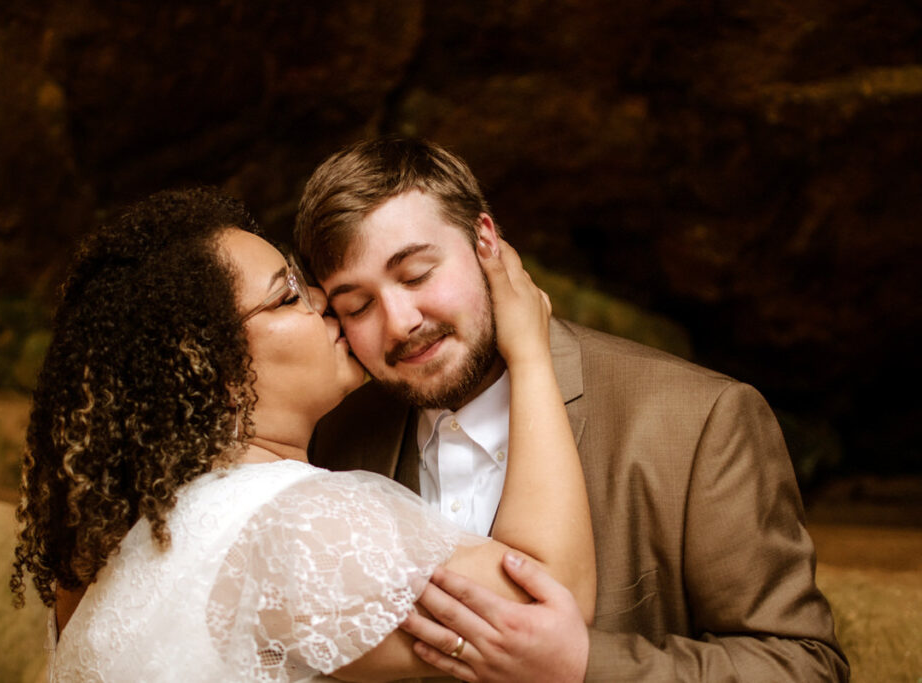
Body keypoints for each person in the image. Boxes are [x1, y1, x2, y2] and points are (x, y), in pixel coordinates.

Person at [294, 137, 849, 681]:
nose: (399, 322)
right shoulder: (332, 438)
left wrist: (585, 666)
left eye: (416, 274)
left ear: (484, 241)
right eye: (357, 305)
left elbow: (803, 665)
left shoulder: (702, 420)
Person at [10, 187, 596, 681]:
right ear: (212, 371)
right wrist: (530, 354)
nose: (324, 301)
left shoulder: (121, 544)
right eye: (287, 295)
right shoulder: (291, 525)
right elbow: (544, 606)